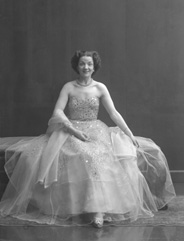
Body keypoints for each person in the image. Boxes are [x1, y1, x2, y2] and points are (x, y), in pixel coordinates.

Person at [0, 50, 176, 228]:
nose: (86, 67)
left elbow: (114, 113)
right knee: (83, 155)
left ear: (94, 67)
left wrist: (129, 134)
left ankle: (99, 211)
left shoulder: (100, 88)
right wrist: (71, 129)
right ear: (77, 66)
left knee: (99, 156)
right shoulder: (69, 87)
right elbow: (57, 112)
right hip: (70, 130)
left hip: (96, 130)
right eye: (82, 63)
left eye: (89, 64)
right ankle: (80, 207)